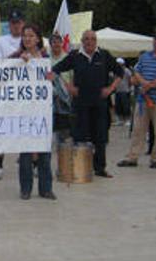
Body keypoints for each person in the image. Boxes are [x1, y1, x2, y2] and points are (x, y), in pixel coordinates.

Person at [52, 30, 123, 178]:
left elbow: (120, 72)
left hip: (100, 103)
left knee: (101, 137)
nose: (90, 42)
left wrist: (110, 89)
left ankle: (100, 168)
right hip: (80, 104)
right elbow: (55, 71)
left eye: (93, 39)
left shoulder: (104, 55)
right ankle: (81, 167)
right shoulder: (75, 56)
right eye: (87, 39)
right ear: (82, 41)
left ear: (96, 41)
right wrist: (68, 87)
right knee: (80, 136)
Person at [117, 32, 156, 169]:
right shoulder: (144, 57)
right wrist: (144, 83)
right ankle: (133, 157)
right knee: (138, 129)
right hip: (142, 100)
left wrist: (150, 85)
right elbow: (136, 73)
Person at [11, 24, 55, 200]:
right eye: (25, 36)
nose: (27, 39)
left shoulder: (45, 58)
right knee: (26, 153)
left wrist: (52, 78)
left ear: (38, 38)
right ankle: (25, 188)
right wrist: (19, 62)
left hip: (43, 111)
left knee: (44, 150)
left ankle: (46, 188)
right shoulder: (16, 58)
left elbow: (53, 83)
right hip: (24, 111)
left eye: (30, 36)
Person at [0, 9, 25, 180]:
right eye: (13, 23)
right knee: (2, 129)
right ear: (9, 24)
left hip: (25, 91)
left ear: (23, 24)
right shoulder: (1, 41)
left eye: (18, 23)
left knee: (26, 128)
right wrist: (16, 56)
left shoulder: (31, 39)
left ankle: (30, 163)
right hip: (5, 91)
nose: (15, 26)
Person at [114, 58, 132, 126]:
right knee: (118, 106)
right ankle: (120, 120)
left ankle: (127, 120)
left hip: (125, 90)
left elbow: (130, 79)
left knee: (126, 106)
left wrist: (129, 87)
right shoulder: (115, 71)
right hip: (117, 90)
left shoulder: (127, 70)